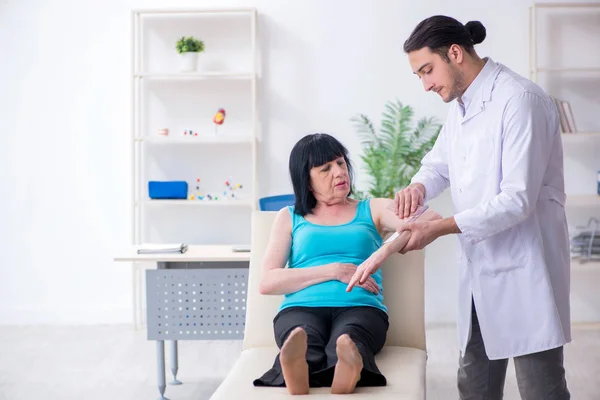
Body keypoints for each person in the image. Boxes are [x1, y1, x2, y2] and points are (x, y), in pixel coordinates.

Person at [352, 15, 571, 400]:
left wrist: (438, 227)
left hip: (525, 271)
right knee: (473, 386)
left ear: (455, 53)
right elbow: (439, 164)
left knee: (541, 389)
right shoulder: (462, 106)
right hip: (479, 273)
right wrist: (418, 187)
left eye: (427, 70)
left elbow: (517, 199)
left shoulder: (521, 101)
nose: (425, 85)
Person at [253, 133, 440, 395]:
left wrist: (384, 251)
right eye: (325, 168)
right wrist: (334, 270)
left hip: (360, 306)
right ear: (306, 180)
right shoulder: (289, 217)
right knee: (303, 335)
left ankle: (346, 368)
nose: (339, 172)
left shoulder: (371, 208)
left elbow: (430, 220)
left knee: (351, 337)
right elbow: (267, 281)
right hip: (301, 306)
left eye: (341, 163)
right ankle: (297, 369)